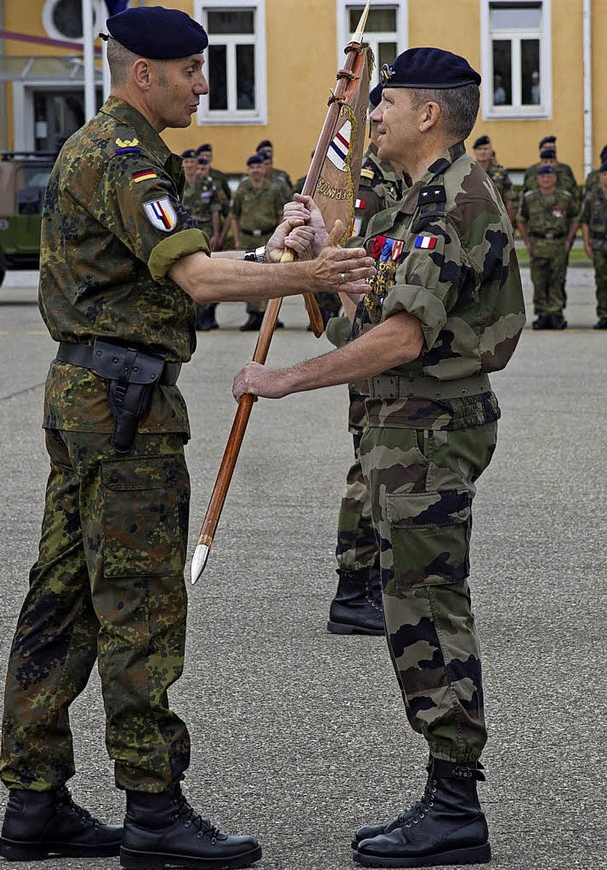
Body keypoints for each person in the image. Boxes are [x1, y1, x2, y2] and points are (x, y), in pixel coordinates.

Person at [0, 7, 374, 870]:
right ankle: (155, 811)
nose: (205, 85)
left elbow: (176, 263)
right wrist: (310, 272)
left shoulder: (116, 151)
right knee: (139, 605)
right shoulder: (124, 159)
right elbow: (199, 279)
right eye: (194, 72)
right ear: (145, 75)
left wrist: (275, 258)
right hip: (124, 412)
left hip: (91, 398)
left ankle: (35, 803)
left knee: (62, 596)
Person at [233, 47, 525, 868]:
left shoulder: (452, 203)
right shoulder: (420, 201)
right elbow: (369, 310)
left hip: (428, 433)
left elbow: (401, 337)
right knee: (411, 608)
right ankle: (446, 795)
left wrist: (284, 380)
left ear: (428, 113)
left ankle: (456, 806)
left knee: (429, 612)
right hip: (403, 432)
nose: (374, 117)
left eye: (387, 103)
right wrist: (320, 258)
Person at [326, 83, 404, 635]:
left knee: (380, 463)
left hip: (386, 331)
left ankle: (372, 582)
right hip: (368, 331)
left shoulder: (400, 178)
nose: (380, 124)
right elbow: (353, 258)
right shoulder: (365, 183)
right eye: (379, 114)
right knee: (369, 465)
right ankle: (354, 590)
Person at [517, 164, 579, 329]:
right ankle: (542, 314)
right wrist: (527, 242)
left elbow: (575, 218)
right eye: (542, 177)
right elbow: (521, 220)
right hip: (537, 244)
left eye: (549, 176)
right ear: (537, 179)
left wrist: (569, 240)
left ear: (555, 178)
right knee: (539, 280)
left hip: (558, 244)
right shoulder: (529, 198)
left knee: (557, 280)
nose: (546, 179)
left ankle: (556, 313)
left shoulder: (565, 197)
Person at [231, 154, 287, 331]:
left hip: (267, 237)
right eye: (252, 167)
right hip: (248, 238)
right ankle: (253, 315)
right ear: (248, 170)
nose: (255, 170)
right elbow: (234, 216)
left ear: (264, 169)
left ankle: (268, 316)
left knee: (270, 277)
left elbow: (280, 214)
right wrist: (237, 240)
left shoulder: (273, 189)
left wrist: (280, 236)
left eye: (258, 167)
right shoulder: (241, 190)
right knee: (248, 277)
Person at [181, 150, 223, 331]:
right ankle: (192, 317)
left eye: (193, 162)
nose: (190, 165)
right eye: (187, 162)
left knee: (207, 269)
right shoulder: (177, 182)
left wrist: (216, 233)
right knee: (187, 271)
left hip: (204, 229)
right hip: (185, 231)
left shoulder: (207, 183)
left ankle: (206, 316)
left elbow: (215, 209)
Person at [579, 160, 607, 328]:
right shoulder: (592, 196)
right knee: (602, 280)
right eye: (604, 174)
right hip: (599, 242)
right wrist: (586, 243)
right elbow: (584, 221)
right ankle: (604, 314)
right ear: (599, 176)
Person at [471, 134, 517, 224]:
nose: (483, 152)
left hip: (497, 221)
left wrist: (507, 224)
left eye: (486, 149)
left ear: (491, 151)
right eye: (479, 149)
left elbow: (511, 200)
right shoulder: (468, 171)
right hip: (473, 221)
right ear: (475, 151)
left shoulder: (501, 172)